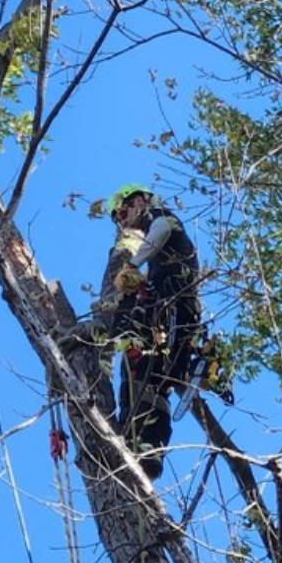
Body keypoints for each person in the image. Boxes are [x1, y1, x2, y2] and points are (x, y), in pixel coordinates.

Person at [93, 185, 202, 480]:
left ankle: (192, 364)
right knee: (146, 375)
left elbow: (162, 231)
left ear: (139, 201)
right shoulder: (156, 260)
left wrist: (131, 264)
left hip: (177, 307)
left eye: (123, 211)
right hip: (165, 313)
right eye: (117, 218)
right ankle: (145, 443)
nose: (122, 220)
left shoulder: (161, 218)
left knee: (152, 359)